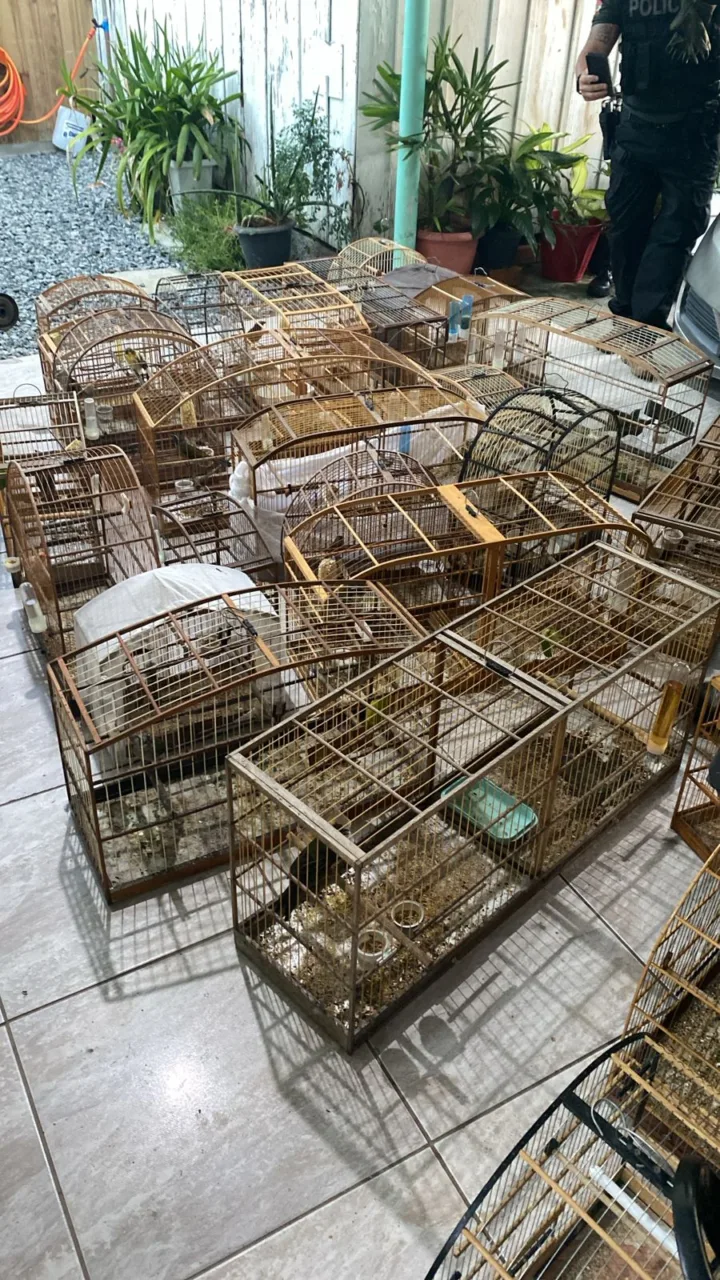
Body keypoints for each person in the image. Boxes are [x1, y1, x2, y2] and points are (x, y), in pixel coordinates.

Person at [576, 0, 720, 329]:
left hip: (695, 136)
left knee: (675, 233)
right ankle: (626, 321)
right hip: (636, 130)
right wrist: (585, 75)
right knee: (626, 229)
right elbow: (595, 46)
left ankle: (646, 328)